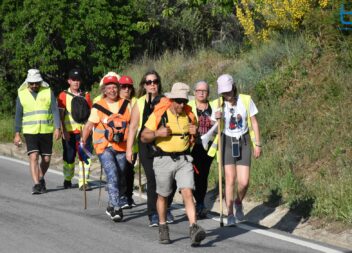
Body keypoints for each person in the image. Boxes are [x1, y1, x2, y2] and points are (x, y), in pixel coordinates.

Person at [141, 82, 206, 246]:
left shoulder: (190, 115)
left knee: (187, 192)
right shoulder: (160, 114)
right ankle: (163, 226)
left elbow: (195, 135)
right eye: (178, 101)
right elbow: (144, 136)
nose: (181, 104)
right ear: (171, 100)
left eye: (184, 101)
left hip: (184, 160)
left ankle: (193, 227)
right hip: (163, 160)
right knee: (163, 196)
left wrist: (195, 132)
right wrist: (157, 133)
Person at [126, 70, 176, 227]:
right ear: (144, 85)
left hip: (164, 143)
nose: (152, 84)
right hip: (145, 143)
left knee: (171, 179)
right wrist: (129, 149)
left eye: (155, 81)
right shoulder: (139, 103)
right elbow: (133, 127)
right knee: (153, 179)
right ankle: (153, 213)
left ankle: (165, 207)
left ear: (158, 83)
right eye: (149, 82)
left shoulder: (167, 100)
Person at [211, 74, 262, 226]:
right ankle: (230, 213)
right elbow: (213, 128)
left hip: (244, 141)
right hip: (226, 141)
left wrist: (257, 144)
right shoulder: (217, 104)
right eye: (224, 92)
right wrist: (216, 117)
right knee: (230, 179)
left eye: (228, 91)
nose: (227, 95)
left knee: (244, 182)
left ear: (233, 87)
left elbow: (254, 122)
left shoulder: (246, 100)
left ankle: (238, 202)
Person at [81, 75, 130, 222]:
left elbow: (133, 124)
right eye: (109, 88)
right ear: (104, 90)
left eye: (114, 87)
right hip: (104, 147)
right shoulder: (98, 106)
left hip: (121, 146)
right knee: (112, 174)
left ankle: (110, 205)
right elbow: (89, 126)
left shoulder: (127, 104)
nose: (112, 90)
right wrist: (83, 142)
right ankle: (116, 208)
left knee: (121, 178)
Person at [13, 69, 61, 194]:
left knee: (46, 159)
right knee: (33, 157)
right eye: (32, 83)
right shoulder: (21, 94)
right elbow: (18, 115)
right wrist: (17, 134)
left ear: (40, 82)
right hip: (30, 131)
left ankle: (40, 177)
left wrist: (57, 128)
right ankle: (36, 184)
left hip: (46, 130)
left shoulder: (48, 92)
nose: (34, 85)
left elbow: (55, 110)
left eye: (37, 83)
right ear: (28, 83)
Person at [57, 69, 93, 190]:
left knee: (85, 157)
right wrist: (63, 131)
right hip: (69, 133)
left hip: (84, 133)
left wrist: (88, 131)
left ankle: (83, 182)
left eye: (78, 80)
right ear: (69, 81)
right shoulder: (63, 95)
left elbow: (91, 115)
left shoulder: (86, 95)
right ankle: (68, 178)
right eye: (73, 80)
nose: (76, 82)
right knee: (69, 158)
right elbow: (60, 115)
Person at [188, 81, 215, 219]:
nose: (201, 93)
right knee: (192, 174)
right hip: (192, 146)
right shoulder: (189, 107)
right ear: (194, 92)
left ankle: (200, 203)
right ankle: (190, 196)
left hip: (208, 147)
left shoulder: (214, 107)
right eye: (198, 90)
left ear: (208, 93)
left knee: (203, 175)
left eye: (204, 90)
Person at [118, 75, 137, 209]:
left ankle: (129, 196)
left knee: (129, 171)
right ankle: (122, 195)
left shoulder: (135, 102)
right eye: (123, 87)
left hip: (133, 143)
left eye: (129, 87)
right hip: (118, 143)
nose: (126, 90)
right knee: (121, 170)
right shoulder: (115, 102)